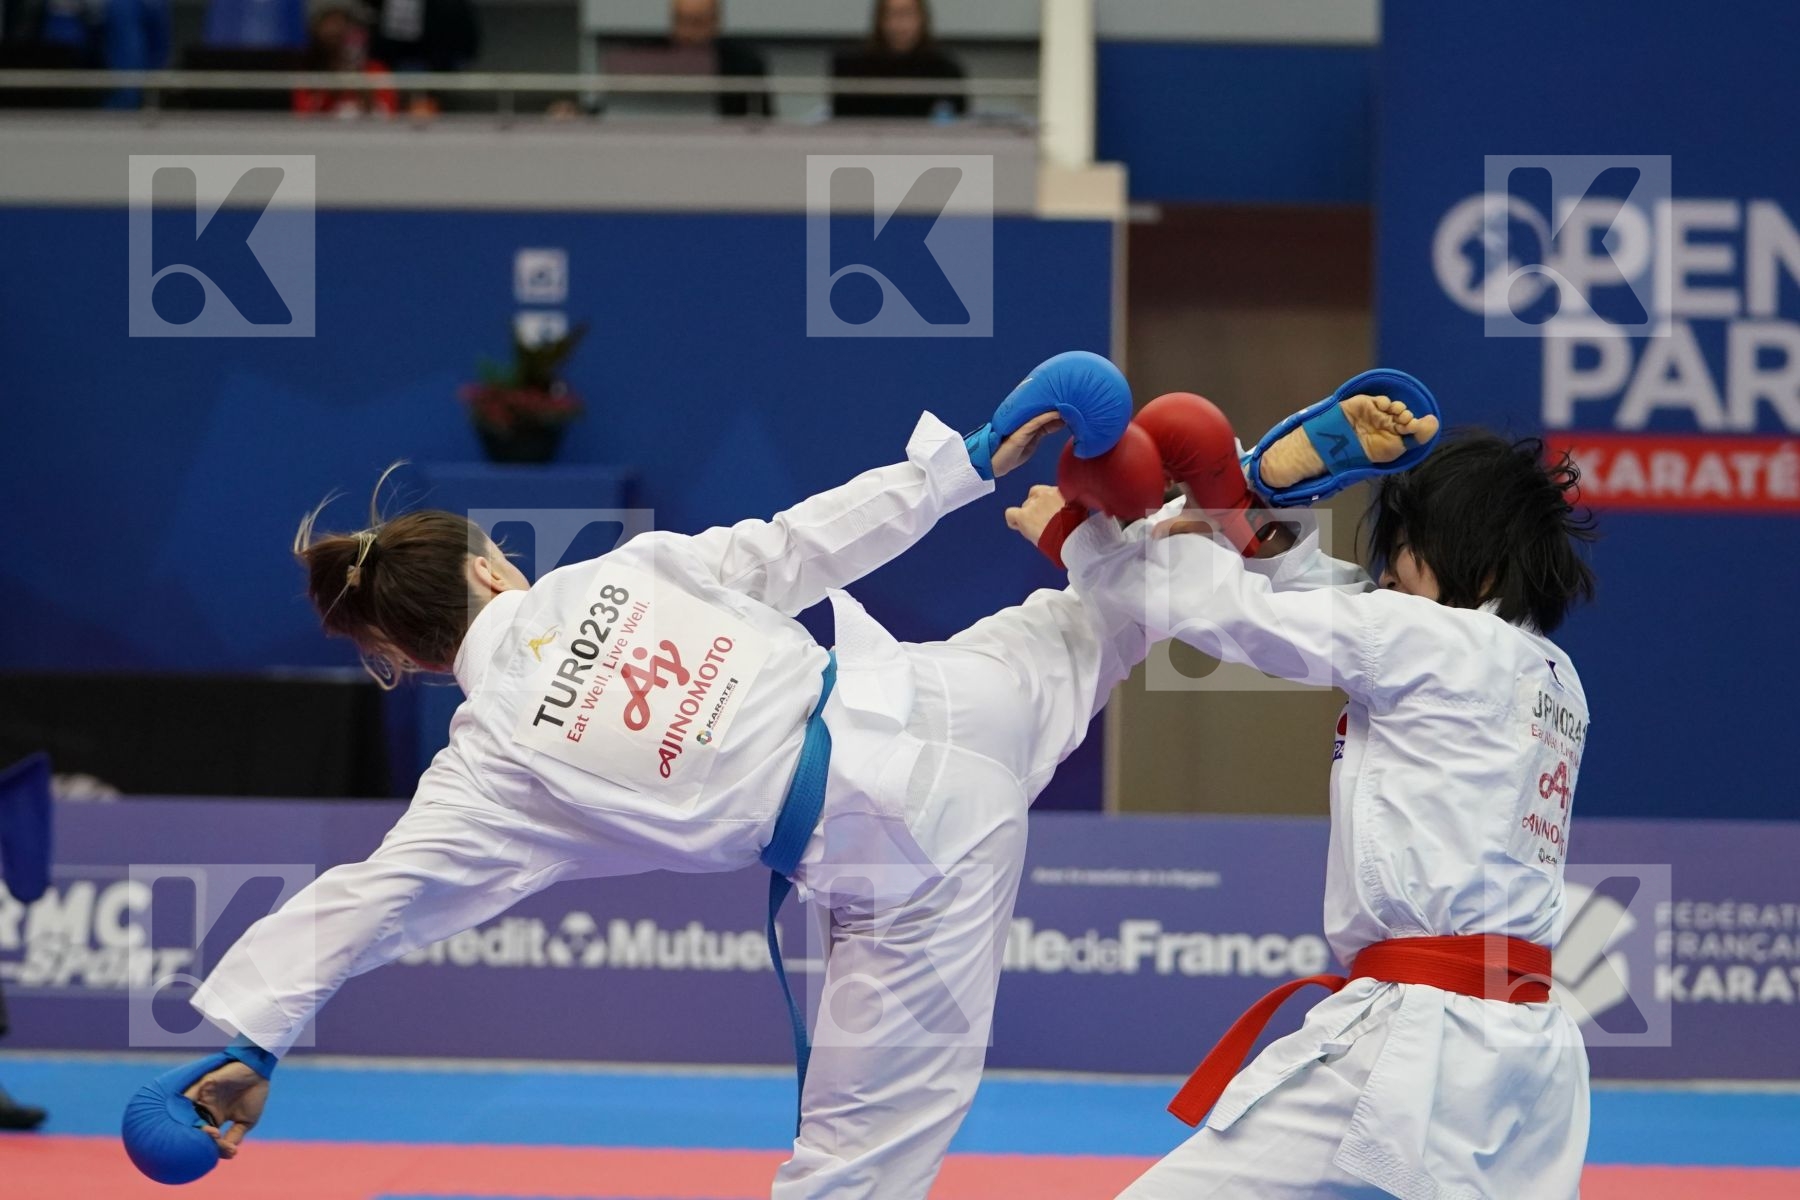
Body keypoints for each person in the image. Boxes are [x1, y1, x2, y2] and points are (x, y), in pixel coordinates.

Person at [122, 352, 1150, 1198]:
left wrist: (253, 1043)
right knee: (1104, 608)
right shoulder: (618, 574)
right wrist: (966, 462)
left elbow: (372, 899)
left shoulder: (492, 767)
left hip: (906, 864)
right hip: (945, 704)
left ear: (411, 657)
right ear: (487, 568)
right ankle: (1232, 511)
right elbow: (801, 545)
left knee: (851, 1175)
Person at [1006, 405, 1597, 1200]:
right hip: (1528, 1059)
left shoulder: (1436, 644)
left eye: (1406, 555)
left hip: (1414, 1040)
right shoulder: (1552, 677)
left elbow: (1235, 617)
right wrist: (1246, 528)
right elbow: (1350, 607)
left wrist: (1084, 545)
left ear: (1481, 569)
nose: (1387, 573)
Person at [831, 0, 965, 120]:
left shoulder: (946, 69)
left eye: (907, 14)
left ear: (923, 18)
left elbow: (959, 123)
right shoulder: (852, 68)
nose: (900, 24)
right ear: (879, 20)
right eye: (892, 14)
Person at [665, 0, 769, 118]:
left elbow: (766, 124)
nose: (688, 32)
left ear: (715, 21)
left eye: (696, 22)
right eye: (680, 20)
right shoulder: (651, 61)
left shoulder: (746, 64)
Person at [292, 2, 397, 118]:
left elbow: (388, 118)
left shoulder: (376, 71)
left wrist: (365, 92)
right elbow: (303, 120)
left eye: (342, 21)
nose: (335, 29)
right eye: (328, 22)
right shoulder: (308, 75)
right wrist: (332, 91)